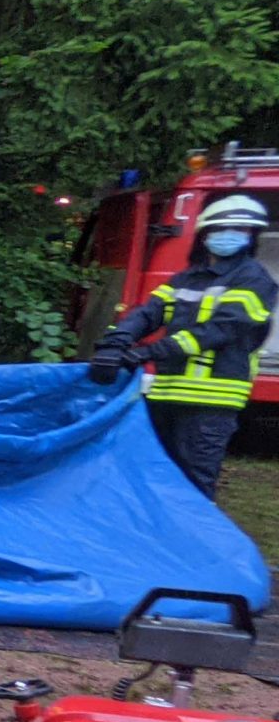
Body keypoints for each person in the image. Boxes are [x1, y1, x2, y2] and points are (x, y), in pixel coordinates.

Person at [92, 194, 275, 501]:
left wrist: (148, 352)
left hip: (212, 399)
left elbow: (221, 330)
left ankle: (193, 531)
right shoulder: (187, 278)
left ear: (251, 236)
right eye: (222, 229)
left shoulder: (254, 279)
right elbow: (148, 313)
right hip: (167, 392)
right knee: (153, 471)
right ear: (205, 234)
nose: (230, 235)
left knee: (194, 480)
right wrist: (114, 343)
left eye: (241, 229)